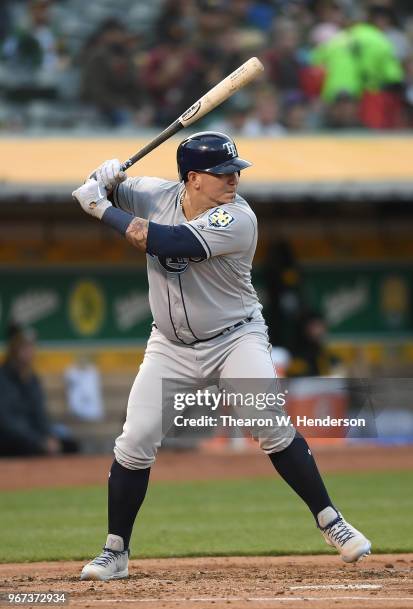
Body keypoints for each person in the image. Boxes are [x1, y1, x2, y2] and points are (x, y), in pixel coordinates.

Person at [72, 131, 371, 581]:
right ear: (192, 178)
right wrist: (106, 177)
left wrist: (99, 207)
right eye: (222, 173)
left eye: (235, 171)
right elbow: (108, 187)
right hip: (170, 345)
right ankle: (115, 552)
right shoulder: (154, 193)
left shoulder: (239, 218)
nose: (233, 179)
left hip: (235, 337)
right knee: (134, 443)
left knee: (269, 423)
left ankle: (332, 521)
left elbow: (166, 242)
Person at [0, 323, 73, 456]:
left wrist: (49, 436)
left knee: (71, 445)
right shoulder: (3, 378)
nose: (29, 351)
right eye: (24, 347)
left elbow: (40, 415)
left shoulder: (33, 379)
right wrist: (39, 441)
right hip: (13, 440)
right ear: (13, 349)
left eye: (31, 346)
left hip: (34, 439)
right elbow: (8, 422)